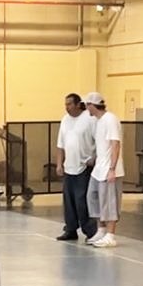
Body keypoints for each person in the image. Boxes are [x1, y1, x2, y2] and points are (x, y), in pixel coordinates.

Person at [83, 92, 124, 248]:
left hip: (109, 169)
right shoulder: (98, 122)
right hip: (98, 168)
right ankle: (101, 230)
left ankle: (111, 235)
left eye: (87, 105)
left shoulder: (110, 120)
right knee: (92, 197)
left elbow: (115, 144)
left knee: (110, 201)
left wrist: (112, 169)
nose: (86, 108)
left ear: (93, 105)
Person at [56, 93, 97, 242]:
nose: (67, 107)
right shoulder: (65, 121)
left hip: (84, 167)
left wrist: (94, 158)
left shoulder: (89, 119)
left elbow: (98, 139)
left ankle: (90, 231)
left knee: (83, 200)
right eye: (65, 104)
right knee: (69, 201)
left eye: (69, 104)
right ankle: (70, 229)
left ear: (78, 104)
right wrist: (59, 163)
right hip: (69, 167)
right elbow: (60, 144)